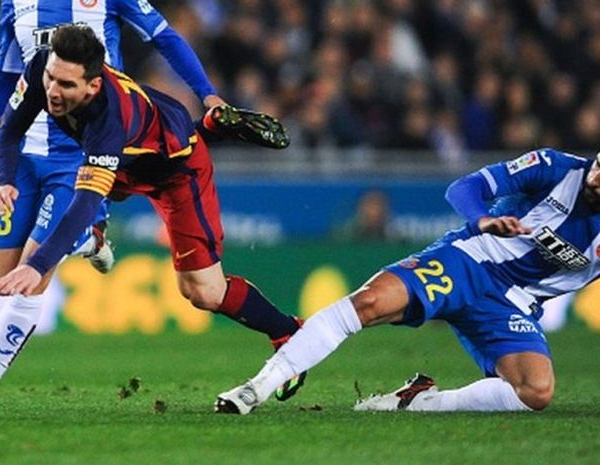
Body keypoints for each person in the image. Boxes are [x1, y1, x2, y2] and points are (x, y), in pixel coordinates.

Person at [0, 2, 272, 386]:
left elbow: (164, 36)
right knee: (0, 279)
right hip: (25, 158)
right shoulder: (15, 5)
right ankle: (88, 236)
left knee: (33, 271)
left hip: (81, 153)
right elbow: (4, 83)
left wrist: (208, 94)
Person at [0, 24, 303, 400]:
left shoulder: (108, 118)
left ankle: (288, 332)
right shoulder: (45, 67)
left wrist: (36, 266)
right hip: (130, 157)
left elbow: (88, 198)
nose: (53, 91)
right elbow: (9, 132)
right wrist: (3, 181)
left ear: (92, 86)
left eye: (66, 86)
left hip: (177, 170)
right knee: (89, 180)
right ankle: (92, 234)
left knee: (203, 292)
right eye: (51, 79)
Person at [215, 147, 600, 414]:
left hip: (513, 304)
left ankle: (421, 401)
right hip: (469, 260)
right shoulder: (557, 167)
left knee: (535, 392)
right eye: (599, 167)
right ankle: (257, 387)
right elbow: (464, 188)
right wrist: (482, 219)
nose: (596, 178)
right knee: (367, 304)